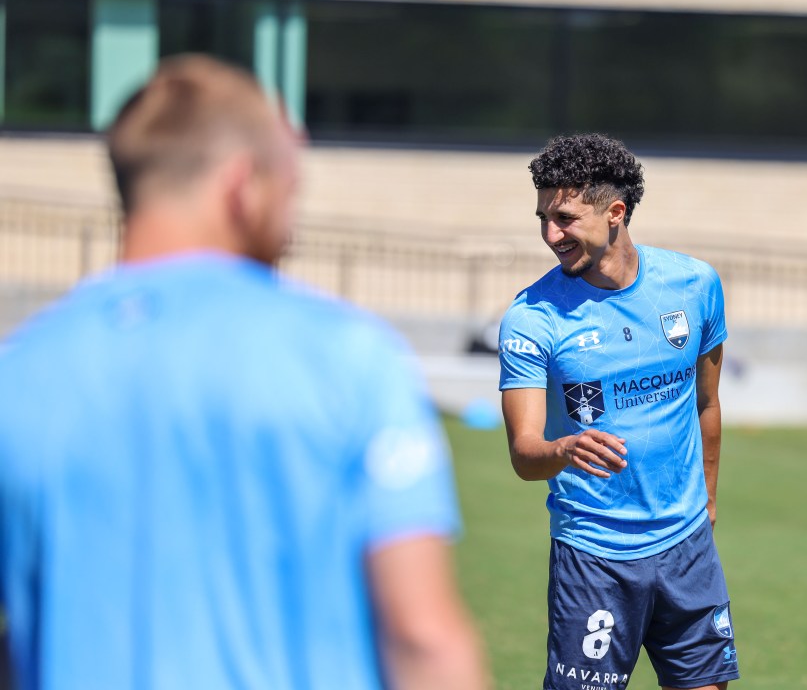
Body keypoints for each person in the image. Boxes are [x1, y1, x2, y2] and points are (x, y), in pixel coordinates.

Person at [0, 55, 489, 690]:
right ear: (242, 185)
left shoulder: (20, 370)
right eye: (290, 185)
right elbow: (422, 637)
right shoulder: (345, 356)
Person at [498, 134, 739, 690]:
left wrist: (707, 500)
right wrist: (563, 449)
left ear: (615, 213)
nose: (549, 235)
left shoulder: (695, 285)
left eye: (564, 217)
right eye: (542, 217)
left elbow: (707, 401)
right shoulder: (533, 319)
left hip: (687, 548)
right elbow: (524, 455)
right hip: (594, 557)